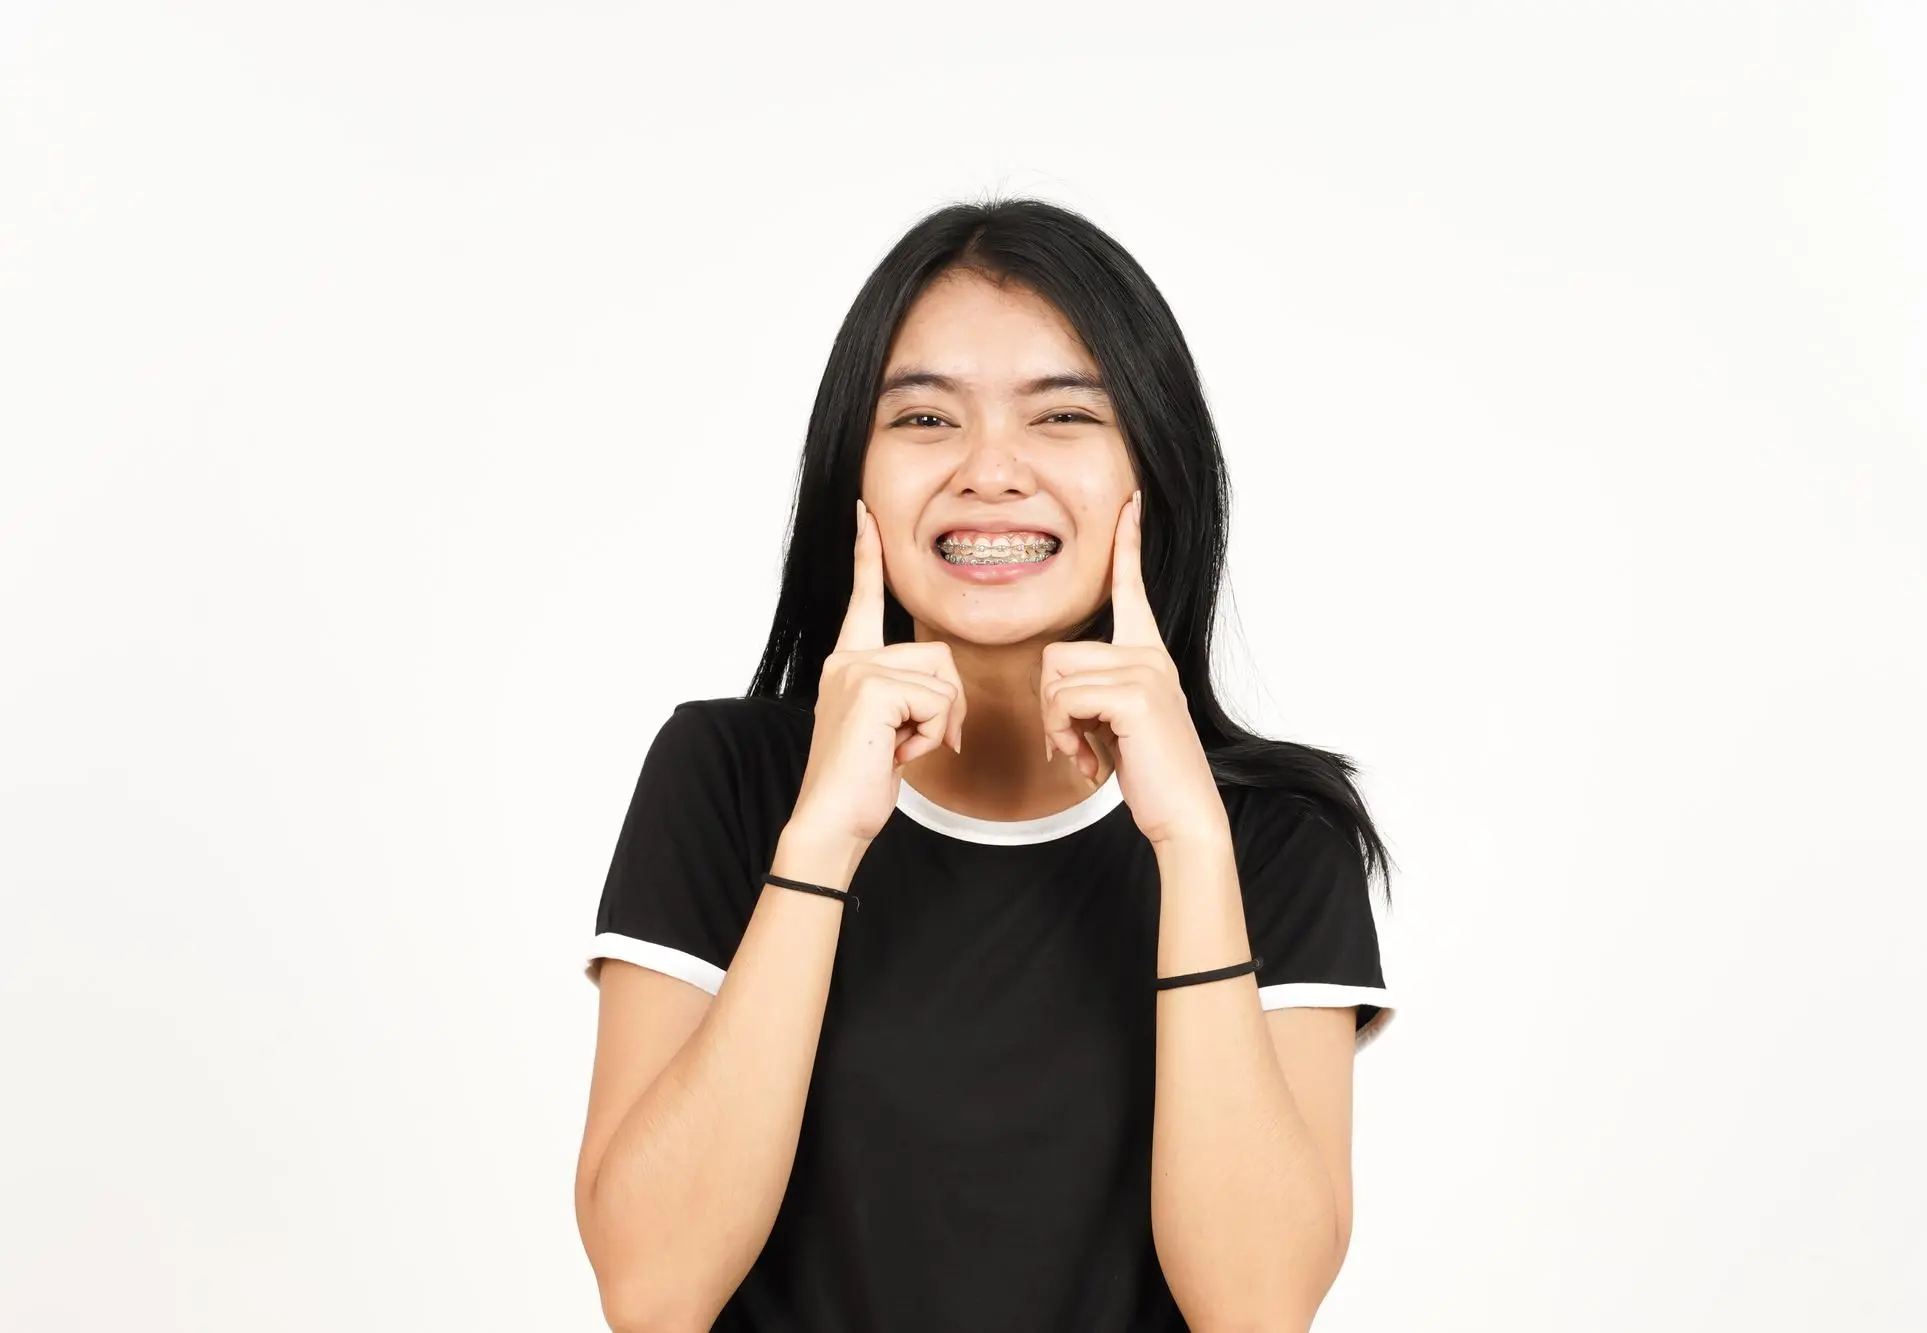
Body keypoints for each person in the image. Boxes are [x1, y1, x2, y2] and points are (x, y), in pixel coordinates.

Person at [574, 198, 1398, 1333]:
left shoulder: (1271, 833)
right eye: (922, 418)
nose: (989, 471)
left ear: (1149, 469)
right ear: (851, 472)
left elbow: (1253, 1309)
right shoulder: (724, 777)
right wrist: (818, 843)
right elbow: (651, 1289)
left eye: (1061, 416)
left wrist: (1190, 848)